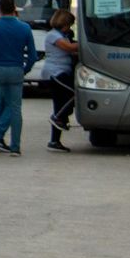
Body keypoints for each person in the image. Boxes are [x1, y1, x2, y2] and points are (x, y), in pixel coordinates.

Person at [0, 0, 37, 157]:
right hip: (16, 69)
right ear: (14, 9)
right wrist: (25, 70)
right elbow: (32, 55)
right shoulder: (25, 28)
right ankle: (15, 147)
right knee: (15, 108)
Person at [43, 9, 79, 152]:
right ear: (63, 23)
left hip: (63, 72)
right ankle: (58, 117)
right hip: (55, 73)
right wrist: (87, 41)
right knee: (74, 93)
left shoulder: (63, 35)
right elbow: (69, 47)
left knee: (60, 104)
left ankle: (55, 140)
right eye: (69, 24)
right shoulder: (53, 35)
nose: (69, 28)